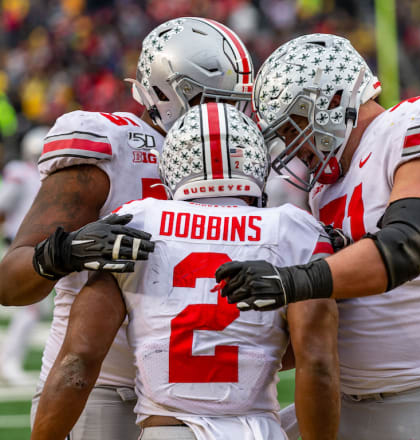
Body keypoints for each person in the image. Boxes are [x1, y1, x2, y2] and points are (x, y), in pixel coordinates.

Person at [216, 33, 420, 439]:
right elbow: (336, 304)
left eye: (295, 125)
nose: (294, 149)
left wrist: (288, 282)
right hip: (349, 399)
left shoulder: (418, 120)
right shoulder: (324, 188)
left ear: (332, 99)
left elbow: (405, 246)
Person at [0, 17, 254, 439]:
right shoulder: (111, 144)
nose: (230, 115)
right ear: (166, 91)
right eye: (216, 100)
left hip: (200, 385)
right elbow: (11, 283)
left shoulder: (239, 151)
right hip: (102, 384)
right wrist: (68, 251)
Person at [31, 102, 340, 440]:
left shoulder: (139, 220)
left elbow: (79, 361)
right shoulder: (293, 229)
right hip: (255, 430)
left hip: (168, 431)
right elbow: (317, 362)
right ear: (255, 161)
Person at [0, 126, 49, 385]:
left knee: (32, 308)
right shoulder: (21, 173)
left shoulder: (37, 175)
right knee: (29, 308)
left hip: (26, 247)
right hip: (17, 248)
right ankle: (9, 363)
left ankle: (7, 361)